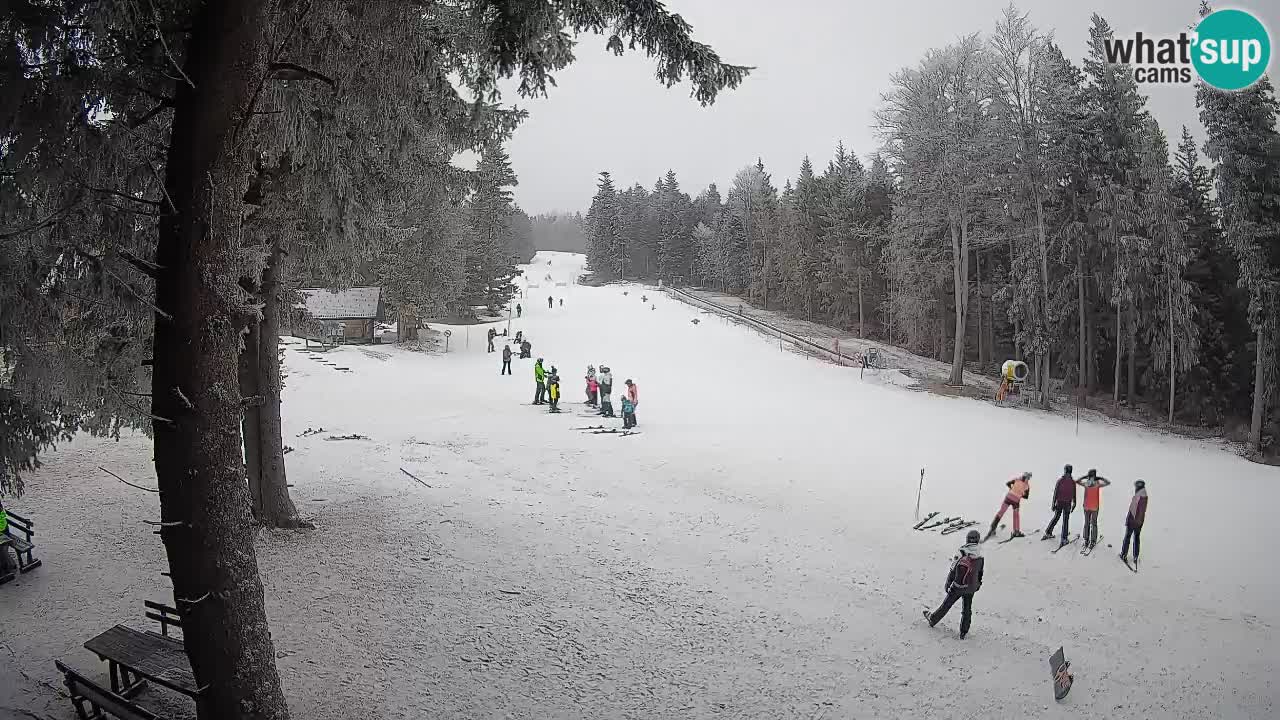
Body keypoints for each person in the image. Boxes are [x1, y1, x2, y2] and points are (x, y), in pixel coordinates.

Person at [923, 529, 985, 639]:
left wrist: (948, 582)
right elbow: (980, 572)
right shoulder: (979, 554)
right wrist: (978, 584)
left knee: (946, 605)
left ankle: (932, 619)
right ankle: (963, 632)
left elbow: (953, 569)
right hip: (971, 587)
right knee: (967, 609)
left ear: (967, 539)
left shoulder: (962, 551)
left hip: (958, 586)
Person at [986, 471, 1031, 540]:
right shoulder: (1027, 486)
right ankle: (1016, 531)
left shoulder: (1016, 479)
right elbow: (1026, 496)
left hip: (1008, 497)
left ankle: (993, 528)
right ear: (1028, 478)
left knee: (1001, 512)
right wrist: (1021, 493)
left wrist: (1012, 489)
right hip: (1016, 501)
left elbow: (1008, 483)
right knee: (1016, 516)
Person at [1076, 469, 1111, 550]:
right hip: (1094, 507)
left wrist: (1084, 477)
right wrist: (1100, 478)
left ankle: (1086, 540)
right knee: (1094, 524)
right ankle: (1093, 541)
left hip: (1086, 507)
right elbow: (1108, 482)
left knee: (1087, 523)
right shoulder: (1097, 484)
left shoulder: (1086, 484)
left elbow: (1077, 481)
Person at [1043, 464, 1076, 546]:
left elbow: (1057, 493)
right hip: (1063, 503)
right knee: (1063, 519)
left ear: (1065, 471)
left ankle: (1051, 532)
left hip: (1064, 503)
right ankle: (1062, 538)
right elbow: (1056, 493)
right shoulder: (1070, 482)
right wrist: (1053, 503)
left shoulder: (1062, 481)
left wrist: (1053, 504)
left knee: (1061, 518)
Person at [1120, 480, 1148, 567]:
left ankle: (1124, 554)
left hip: (1133, 522)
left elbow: (1132, 510)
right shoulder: (1145, 496)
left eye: (1136, 486)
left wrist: (1128, 521)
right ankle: (1135, 556)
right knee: (1136, 538)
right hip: (1140, 522)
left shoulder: (1138, 496)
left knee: (1127, 537)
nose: (1135, 487)